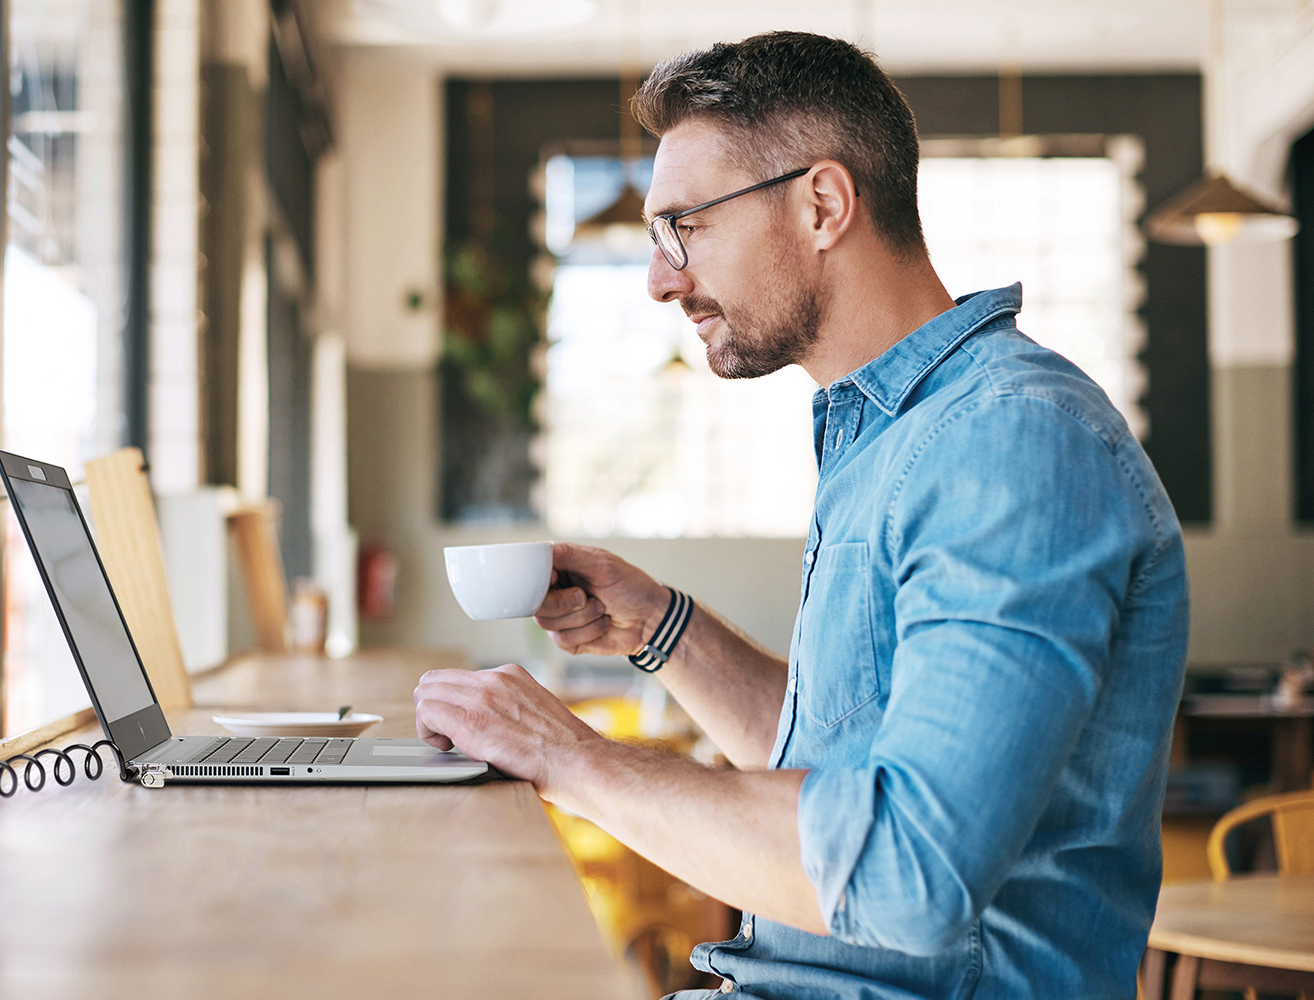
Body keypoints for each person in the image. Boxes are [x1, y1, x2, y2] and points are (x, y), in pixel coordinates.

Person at [414, 30, 1188, 1000]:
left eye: (682, 227)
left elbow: (909, 876)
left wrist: (563, 754)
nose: (659, 278)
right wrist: (661, 629)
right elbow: (846, 764)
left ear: (821, 204)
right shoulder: (889, 436)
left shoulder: (1009, 440)